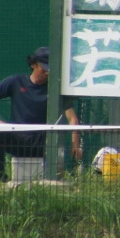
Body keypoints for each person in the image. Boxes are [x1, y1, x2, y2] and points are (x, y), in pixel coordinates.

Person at [0, 47, 81, 181]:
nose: (46, 73)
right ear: (33, 64)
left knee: (54, 137)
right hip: (16, 140)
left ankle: (52, 178)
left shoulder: (54, 90)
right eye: (43, 68)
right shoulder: (16, 81)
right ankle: (1, 178)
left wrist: (75, 144)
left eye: (49, 70)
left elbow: (72, 118)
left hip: (42, 143)